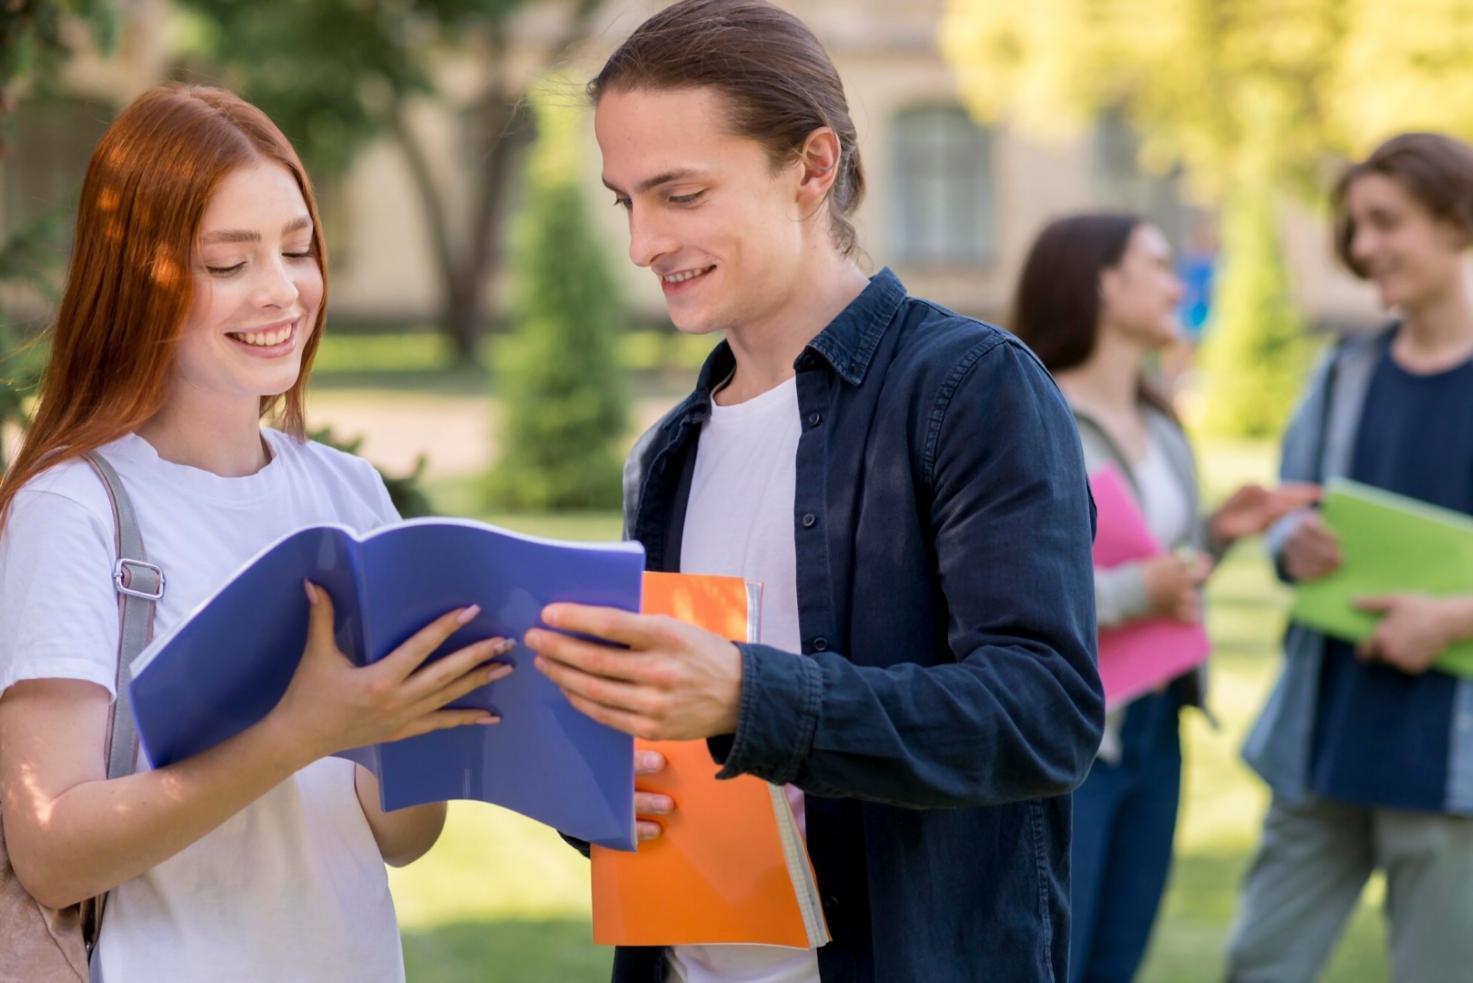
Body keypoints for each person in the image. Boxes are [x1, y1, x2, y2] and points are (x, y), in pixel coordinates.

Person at [521, 2, 1103, 980]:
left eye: (681, 193)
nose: (643, 242)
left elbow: (1042, 712)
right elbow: (669, 755)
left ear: (812, 165)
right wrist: (592, 781)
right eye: (628, 200)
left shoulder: (968, 389)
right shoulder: (670, 450)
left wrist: (752, 694)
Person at [0, 85, 513, 982]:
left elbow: (401, 838)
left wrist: (425, 717)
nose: (280, 290)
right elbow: (51, 851)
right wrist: (300, 729)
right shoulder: (73, 506)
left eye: (298, 248)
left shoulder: (348, 492)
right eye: (228, 262)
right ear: (137, 282)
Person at [1011, 213, 1317, 983]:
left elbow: (1160, 565)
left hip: (1157, 723)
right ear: (1101, 283)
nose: (1179, 282)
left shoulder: (1160, 419)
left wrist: (1217, 535)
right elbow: (1012, 589)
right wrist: (1135, 591)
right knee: (1055, 960)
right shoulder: (1029, 416)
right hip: (1075, 735)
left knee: (1118, 956)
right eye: (1156, 264)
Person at [1227, 132, 1473, 981]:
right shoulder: (1345, 373)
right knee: (1257, 963)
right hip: (1324, 740)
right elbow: (1283, 516)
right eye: (1353, 227)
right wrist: (1292, 541)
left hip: (1451, 762)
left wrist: (1448, 619)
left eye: (1384, 222)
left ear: (1455, 219)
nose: (1362, 248)